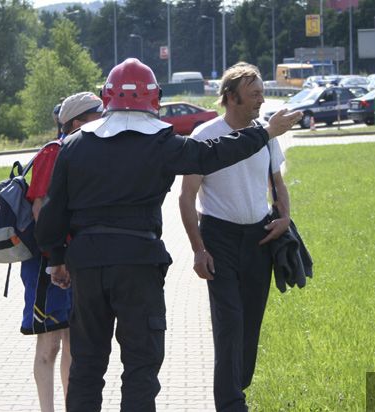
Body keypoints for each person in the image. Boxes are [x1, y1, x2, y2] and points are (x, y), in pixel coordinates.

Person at [34, 58, 301, 412]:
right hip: (139, 265)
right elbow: (213, 155)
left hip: (88, 264)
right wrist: (265, 132)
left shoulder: (75, 144)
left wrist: (56, 260)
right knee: (140, 368)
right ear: (154, 97)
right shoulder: (161, 142)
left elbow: (53, 213)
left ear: (107, 96)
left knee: (86, 367)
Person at [179, 62, 291, 412]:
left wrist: (285, 218)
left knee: (250, 323)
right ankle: (231, 403)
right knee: (229, 322)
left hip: (260, 239)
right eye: (254, 94)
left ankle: (236, 386)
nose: (261, 100)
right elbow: (186, 197)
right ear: (231, 97)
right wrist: (198, 250)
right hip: (219, 239)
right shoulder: (204, 136)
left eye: (262, 93)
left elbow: (278, 183)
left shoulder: (265, 134)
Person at [21, 91, 103, 412]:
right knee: (49, 343)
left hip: (75, 260)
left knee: (72, 342)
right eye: (98, 114)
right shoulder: (52, 152)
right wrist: (56, 257)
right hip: (48, 263)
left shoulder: (87, 152)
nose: (104, 119)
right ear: (78, 122)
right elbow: (40, 211)